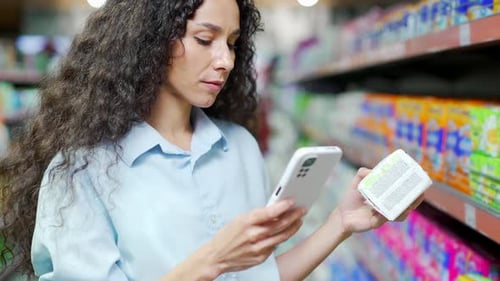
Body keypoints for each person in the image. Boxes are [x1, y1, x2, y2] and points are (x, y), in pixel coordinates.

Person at [0, 0, 424, 280]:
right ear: (150, 41)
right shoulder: (82, 169)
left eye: (233, 43)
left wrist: (341, 224)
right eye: (205, 39)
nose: (225, 61)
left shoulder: (238, 147)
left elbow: (261, 279)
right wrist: (215, 258)